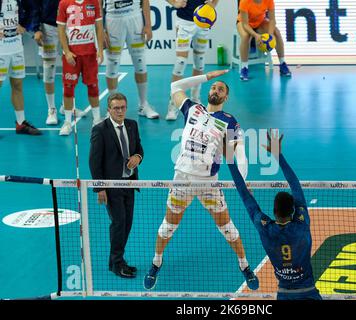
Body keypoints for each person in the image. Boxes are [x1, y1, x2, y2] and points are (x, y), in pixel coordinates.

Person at [143, 70, 259, 291]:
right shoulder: (193, 109)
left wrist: (244, 181)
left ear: (226, 98)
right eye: (214, 87)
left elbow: (238, 154)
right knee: (168, 227)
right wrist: (206, 76)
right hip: (182, 180)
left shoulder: (229, 122)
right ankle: (156, 262)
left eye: (221, 89)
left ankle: (244, 266)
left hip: (208, 184)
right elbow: (175, 87)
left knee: (227, 228)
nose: (216, 90)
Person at [228, 130, 322, 300]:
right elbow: (295, 185)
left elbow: (243, 193)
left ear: (274, 212)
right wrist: (278, 156)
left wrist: (229, 158)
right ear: (293, 210)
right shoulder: (302, 224)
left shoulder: (265, 229)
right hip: (309, 292)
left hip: (284, 295)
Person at [89, 92, 144, 278]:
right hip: (112, 186)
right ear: (109, 109)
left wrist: (138, 157)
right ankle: (116, 263)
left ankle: (117, 261)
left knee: (127, 224)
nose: (120, 111)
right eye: (116, 108)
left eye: (123, 107)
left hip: (129, 183)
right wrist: (100, 187)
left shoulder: (132, 125)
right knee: (119, 223)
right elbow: (94, 162)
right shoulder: (100, 130)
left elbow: (139, 148)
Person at [102, 0, 159, 119]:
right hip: (113, 19)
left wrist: (148, 25)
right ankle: (112, 108)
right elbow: (98, 4)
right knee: (112, 64)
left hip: (135, 18)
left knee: (140, 62)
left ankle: (143, 104)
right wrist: (101, 30)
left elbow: (145, 2)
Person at [164, 0, 220, 121]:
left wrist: (214, 2)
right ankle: (173, 104)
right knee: (180, 62)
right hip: (184, 21)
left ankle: (195, 100)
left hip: (204, 20)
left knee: (199, 62)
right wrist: (174, 2)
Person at [32, 0, 84, 125]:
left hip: (70, 26)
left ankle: (66, 105)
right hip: (48, 27)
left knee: (72, 66)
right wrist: (36, 28)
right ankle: (51, 109)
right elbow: (34, 5)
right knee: (49, 68)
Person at [56, 0, 104, 136]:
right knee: (68, 87)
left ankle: (97, 119)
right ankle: (67, 122)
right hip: (72, 55)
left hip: (89, 54)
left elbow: (99, 27)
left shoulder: (94, 2)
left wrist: (100, 50)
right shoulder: (64, 3)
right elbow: (60, 29)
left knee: (93, 86)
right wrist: (66, 51)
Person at [0, 0, 42, 135]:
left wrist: (25, 25)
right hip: (1, 49)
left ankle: (20, 123)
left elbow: (32, 9)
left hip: (16, 46)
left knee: (17, 84)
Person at [236, 0, 291, 81]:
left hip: (260, 22)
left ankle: (282, 64)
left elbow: (272, 20)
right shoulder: (244, 1)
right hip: (244, 23)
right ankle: (244, 68)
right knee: (246, 36)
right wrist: (256, 35)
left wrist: (271, 34)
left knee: (276, 32)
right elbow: (245, 24)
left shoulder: (269, 1)